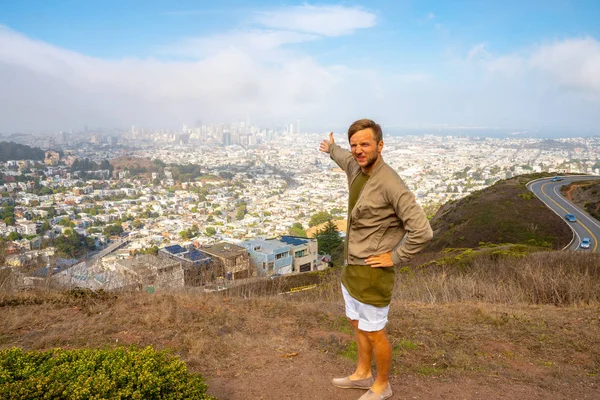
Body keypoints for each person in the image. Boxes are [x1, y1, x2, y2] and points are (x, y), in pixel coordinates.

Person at [319, 119, 433, 400]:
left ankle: (382, 385)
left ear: (380, 146)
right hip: (352, 267)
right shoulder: (355, 167)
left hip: (373, 272)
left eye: (365, 144)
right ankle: (362, 374)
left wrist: (395, 256)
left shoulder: (390, 183)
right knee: (357, 323)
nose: (358, 150)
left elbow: (423, 231)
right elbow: (344, 158)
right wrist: (331, 148)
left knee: (375, 332)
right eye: (354, 144)